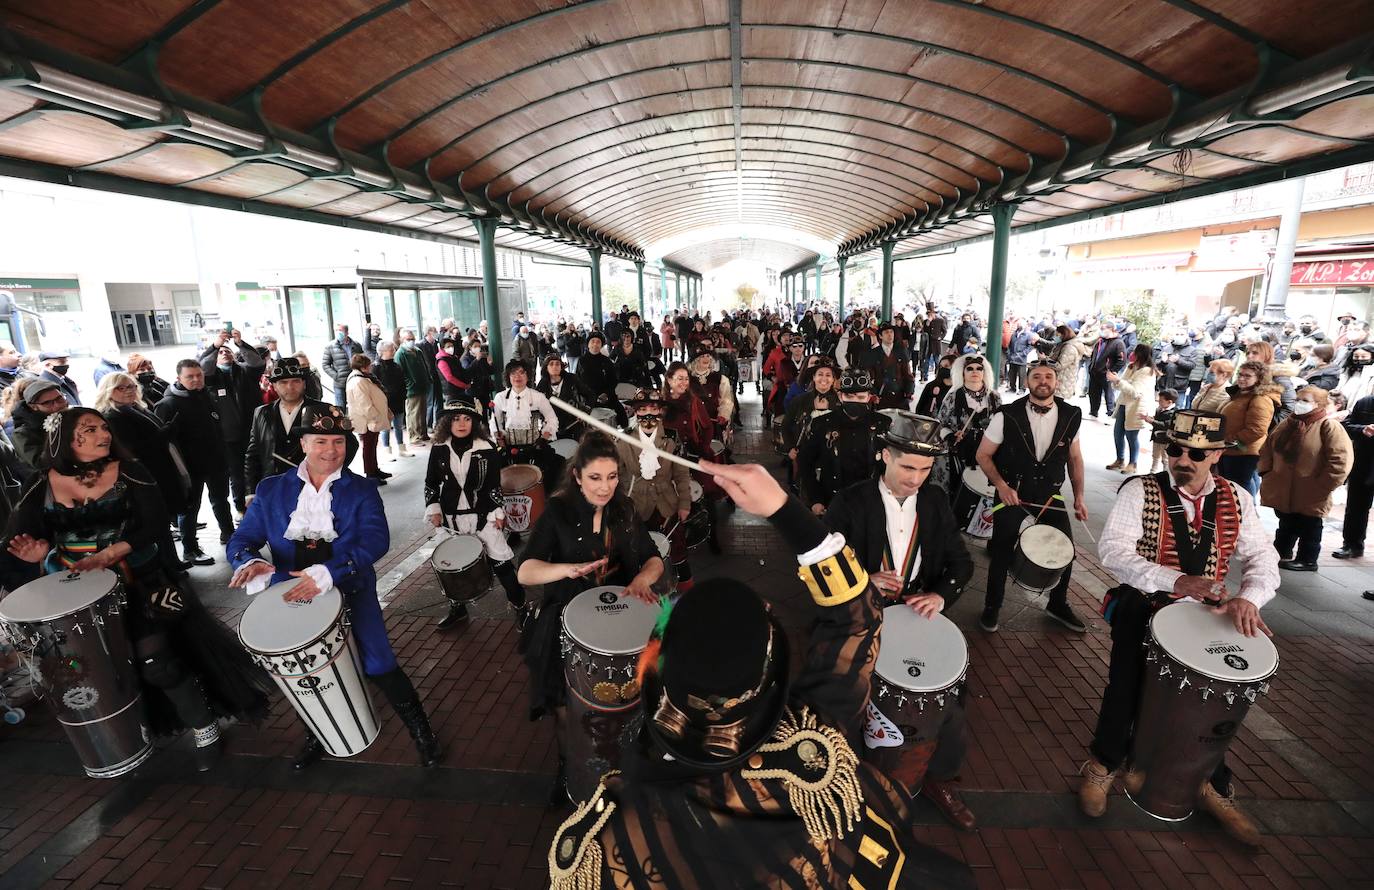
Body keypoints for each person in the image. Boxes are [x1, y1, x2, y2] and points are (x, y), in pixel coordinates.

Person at [547, 458, 975, 889]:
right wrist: (785, 510)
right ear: (767, 680)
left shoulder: (597, 842)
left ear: (655, 676)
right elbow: (856, 620)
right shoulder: (815, 752)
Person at [6, 408, 270, 769]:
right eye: (90, 429)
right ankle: (128, 735)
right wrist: (38, 550)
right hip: (78, 594)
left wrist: (112, 552)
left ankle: (203, 725)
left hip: (141, 583)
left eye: (104, 427)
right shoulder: (41, 483)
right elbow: (19, 535)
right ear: (64, 439)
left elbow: (157, 524)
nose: (103, 434)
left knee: (157, 663)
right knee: (102, 667)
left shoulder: (130, 471)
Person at [1086, 410, 1278, 847]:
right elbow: (1113, 551)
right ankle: (1104, 764)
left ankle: (1211, 781)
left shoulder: (1236, 497)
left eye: (1194, 452)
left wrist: (1250, 597)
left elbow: (1263, 558)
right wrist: (1174, 580)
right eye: (1174, 449)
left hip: (1204, 617)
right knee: (1125, 687)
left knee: (1210, 702)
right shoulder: (1140, 490)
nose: (1181, 459)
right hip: (1145, 606)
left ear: (1214, 455)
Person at [228, 404, 441, 769]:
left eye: (338, 442)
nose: (330, 450)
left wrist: (329, 572)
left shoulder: (361, 490)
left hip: (351, 587)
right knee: (303, 672)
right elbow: (242, 539)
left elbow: (376, 541)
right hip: (291, 596)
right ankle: (318, 733)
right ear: (304, 443)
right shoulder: (272, 490)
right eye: (321, 441)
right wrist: (249, 562)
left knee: (379, 663)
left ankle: (421, 730)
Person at [822, 412, 977, 830]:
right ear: (884, 455)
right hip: (860, 617)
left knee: (950, 700)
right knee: (844, 700)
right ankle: (844, 777)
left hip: (913, 616)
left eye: (925, 469)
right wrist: (863, 580)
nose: (916, 478)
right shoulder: (850, 502)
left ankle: (940, 778)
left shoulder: (935, 501)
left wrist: (941, 595)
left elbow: (961, 562)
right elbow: (821, 567)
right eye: (907, 467)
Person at [516, 432, 664, 803]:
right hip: (566, 619)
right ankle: (568, 767)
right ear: (578, 476)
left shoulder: (625, 509)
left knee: (627, 702)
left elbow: (652, 557)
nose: (605, 487)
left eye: (612, 477)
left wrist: (644, 577)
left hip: (618, 624)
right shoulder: (558, 511)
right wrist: (565, 570)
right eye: (596, 478)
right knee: (566, 709)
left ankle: (619, 762)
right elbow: (526, 570)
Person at [975, 361, 1089, 633]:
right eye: (1036, 376)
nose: (1043, 381)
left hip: (1050, 495)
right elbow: (983, 454)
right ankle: (992, 607)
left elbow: (1075, 458)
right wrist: (1001, 485)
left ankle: (1057, 603)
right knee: (1001, 553)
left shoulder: (1071, 415)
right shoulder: (1007, 415)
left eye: (1049, 376)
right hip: (1011, 493)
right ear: (1027, 382)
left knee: (1066, 551)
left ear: (1056, 382)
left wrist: (1080, 497)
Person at [423, 398, 527, 628]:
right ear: (447, 422)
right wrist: (434, 508)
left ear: (474, 422)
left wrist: (497, 513)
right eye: (456, 419)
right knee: (452, 566)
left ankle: (521, 608)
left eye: (467, 419)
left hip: (483, 515)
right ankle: (458, 609)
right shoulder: (439, 448)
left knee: (502, 564)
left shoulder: (487, 448)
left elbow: (493, 485)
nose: (462, 423)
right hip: (451, 518)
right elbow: (431, 483)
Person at [96, 372, 189, 566]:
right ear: (109, 390)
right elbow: (133, 449)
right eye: (121, 387)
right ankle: (168, 565)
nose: (128, 391)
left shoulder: (135, 408)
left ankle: (172, 562)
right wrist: (167, 432)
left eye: (131, 386)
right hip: (145, 474)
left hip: (159, 470)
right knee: (156, 521)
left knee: (163, 520)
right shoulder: (113, 416)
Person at [1258, 386, 1352, 571]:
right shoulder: (1288, 423)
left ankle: (1308, 559)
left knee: (1310, 525)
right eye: (1298, 399)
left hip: (1312, 488)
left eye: (1305, 400)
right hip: (1284, 486)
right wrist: (1266, 471)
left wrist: (1325, 485)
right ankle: (1281, 552)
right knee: (1286, 521)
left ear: (1319, 404)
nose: (1299, 403)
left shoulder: (1328, 426)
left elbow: (1340, 459)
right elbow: (1268, 448)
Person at [154, 360, 236, 566]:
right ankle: (190, 549)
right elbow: (162, 443)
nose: (196, 379)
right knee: (190, 509)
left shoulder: (206, 395)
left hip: (215, 462)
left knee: (221, 501)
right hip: (190, 469)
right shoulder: (168, 404)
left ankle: (230, 535)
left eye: (198, 375)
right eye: (190, 376)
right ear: (178, 378)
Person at [614, 390, 694, 594]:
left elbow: (682, 474)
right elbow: (616, 477)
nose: (648, 413)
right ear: (635, 412)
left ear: (661, 411)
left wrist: (684, 503)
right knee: (638, 554)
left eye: (653, 408)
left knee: (676, 552)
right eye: (642, 409)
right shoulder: (623, 439)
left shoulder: (672, 438)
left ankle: (684, 595)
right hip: (635, 507)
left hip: (666, 505)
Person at [797, 369, 890, 515]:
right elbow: (805, 462)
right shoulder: (822, 424)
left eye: (860, 397)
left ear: (869, 397)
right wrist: (815, 498)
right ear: (840, 396)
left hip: (872, 502)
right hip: (832, 501)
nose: (854, 401)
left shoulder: (882, 424)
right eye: (849, 396)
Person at [200, 341, 265, 514]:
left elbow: (257, 362)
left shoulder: (245, 371)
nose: (224, 353)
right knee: (236, 474)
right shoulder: (212, 377)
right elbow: (204, 366)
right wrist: (215, 346)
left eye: (227, 350)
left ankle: (261, 504)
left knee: (258, 467)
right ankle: (241, 508)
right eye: (220, 352)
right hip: (229, 437)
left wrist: (240, 344)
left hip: (253, 431)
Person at [931, 354, 999, 498]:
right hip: (957, 451)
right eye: (970, 369)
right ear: (963, 373)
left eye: (979, 368)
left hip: (985, 452)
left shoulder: (994, 397)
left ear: (984, 372)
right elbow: (939, 423)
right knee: (954, 492)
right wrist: (949, 435)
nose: (975, 371)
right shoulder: (953, 396)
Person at [1217, 361, 1281, 498]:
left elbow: (1257, 430)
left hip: (1243, 452)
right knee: (1231, 487)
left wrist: (1231, 440)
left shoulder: (1260, 399)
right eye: (1240, 374)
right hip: (1229, 449)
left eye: (1247, 376)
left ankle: (1246, 517)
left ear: (1259, 379)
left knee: (1239, 490)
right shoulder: (1240, 394)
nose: (1241, 378)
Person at [1105, 344, 1157, 475]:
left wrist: (1118, 380)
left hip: (1136, 407)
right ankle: (1120, 460)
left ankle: (1133, 464)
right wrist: (1116, 380)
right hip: (1123, 404)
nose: (1132, 353)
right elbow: (1120, 386)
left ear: (1141, 354)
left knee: (1131, 436)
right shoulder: (1131, 366)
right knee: (1118, 434)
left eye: (1135, 351)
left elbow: (1135, 392)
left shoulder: (1147, 372)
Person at [345, 354, 394, 485]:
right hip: (368, 420)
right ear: (363, 366)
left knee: (372, 445)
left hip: (371, 419)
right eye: (369, 364)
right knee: (368, 447)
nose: (371, 366)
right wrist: (375, 416)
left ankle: (374, 469)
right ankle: (371, 475)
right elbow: (364, 404)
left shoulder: (362, 378)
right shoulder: (358, 381)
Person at [537, 353, 596, 441]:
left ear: (561, 366)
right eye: (551, 364)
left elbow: (590, 395)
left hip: (574, 422)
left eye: (557, 364)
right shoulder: (542, 384)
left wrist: (585, 411)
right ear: (546, 368)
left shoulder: (571, 378)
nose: (555, 366)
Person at [12, 380, 69, 469]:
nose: (57, 405)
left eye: (59, 399)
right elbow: (40, 463)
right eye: (47, 403)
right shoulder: (23, 433)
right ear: (33, 407)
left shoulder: (76, 415)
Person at [860, 324, 915, 410]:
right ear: (880, 336)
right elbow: (869, 377)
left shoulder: (901, 351)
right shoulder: (873, 353)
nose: (890, 335)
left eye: (891, 332)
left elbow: (908, 374)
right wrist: (873, 394)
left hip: (899, 396)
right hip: (881, 396)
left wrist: (909, 391)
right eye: (886, 332)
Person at [373, 341, 411, 460]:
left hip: (398, 400)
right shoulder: (376, 367)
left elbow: (402, 382)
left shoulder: (396, 366)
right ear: (382, 352)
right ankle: (387, 450)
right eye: (390, 349)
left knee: (399, 426)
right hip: (385, 402)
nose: (393, 351)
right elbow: (375, 386)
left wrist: (403, 395)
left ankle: (401, 448)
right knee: (386, 427)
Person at [398, 331, 432, 443]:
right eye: (408, 339)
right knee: (414, 414)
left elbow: (425, 366)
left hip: (423, 386)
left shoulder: (418, 351)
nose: (411, 341)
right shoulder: (400, 354)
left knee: (422, 412)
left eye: (412, 338)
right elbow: (400, 372)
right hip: (411, 389)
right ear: (402, 340)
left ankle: (423, 433)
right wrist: (409, 384)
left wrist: (428, 379)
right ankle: (414, 437)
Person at [1086, 324, 1126, 420]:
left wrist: (1112, 371)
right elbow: (1094, 355)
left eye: (1104, 329)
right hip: (1095, 372)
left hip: (1107, 374)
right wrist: (1091, 366)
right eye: (1102, 328)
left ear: (1111, 329)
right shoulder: (1100, 341)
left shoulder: (1118, 343)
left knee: (1109, 394)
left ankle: (1110, 413)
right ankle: (1093, 412)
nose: (1102, 330)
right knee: (1093, 393)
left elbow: (1122, 360)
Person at [321, 324, 362, 408]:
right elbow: (325, 364)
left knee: (357, 407)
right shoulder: (330, 347)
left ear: (347, 332)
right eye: (336, 330)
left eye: (340, 330)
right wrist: (336, 376)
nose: (338, 332)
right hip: (340, 384)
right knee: (340, 409)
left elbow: (362, 360)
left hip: (356, 381)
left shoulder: (356, 345)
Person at [1048, 324, 1088, 399]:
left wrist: (1045, 360)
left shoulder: (1069, 347)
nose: (1055, 337)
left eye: (1057, 335)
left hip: (1062, 383)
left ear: (1064, 334)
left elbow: (1059, 366)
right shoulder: (1063, 344)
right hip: (1060, 381)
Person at [1144, 388, 1179, 473]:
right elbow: (1158, 421)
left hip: (1166, 439)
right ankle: (1153, 471)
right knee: (1155, 456)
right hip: (1156, 437)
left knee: (1165, 458)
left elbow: (1166, 425)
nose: (1159, 402)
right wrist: (1153, 419)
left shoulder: (1174, 413)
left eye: (1161, 400)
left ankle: (1166, 473)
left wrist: (1152, 421)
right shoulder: (1159, 409)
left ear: (1169, 402)